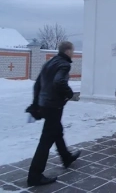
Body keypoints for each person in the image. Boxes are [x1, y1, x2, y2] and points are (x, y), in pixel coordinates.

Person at [26, 41, 81, 187]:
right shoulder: (64, 64)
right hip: (54, 106)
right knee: (46, 140)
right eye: (73, 51)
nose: (73, 53)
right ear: (68, 51)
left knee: (57, 131)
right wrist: (69, 94)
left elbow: (37, 84)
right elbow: (59, 82)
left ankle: (66, 157)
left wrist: (37, 103)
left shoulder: (49, 63)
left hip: (45, 105)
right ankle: (35, 176)